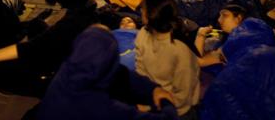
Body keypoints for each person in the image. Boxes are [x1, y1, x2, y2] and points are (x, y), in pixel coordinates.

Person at [0, 0, 100, 97]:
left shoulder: (71, 24)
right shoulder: (87, 6)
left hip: (66, 71)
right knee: (36, 25)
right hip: (65, 52)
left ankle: (36, 81)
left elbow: (31, 47)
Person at [36, 26, 178, 120]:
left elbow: (121, 74)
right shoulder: (99, 108)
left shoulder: (71, 68)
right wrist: (167, 104)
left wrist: (152, 89)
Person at [136, 0, 200, 118]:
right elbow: (140, 68)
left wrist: (152, 107)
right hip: (152, 98)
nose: (140, 11)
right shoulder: (143, 34)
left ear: (150, 15)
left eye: (143, 9)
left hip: (178, 110)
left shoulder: (179, 50)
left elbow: (183, 96)